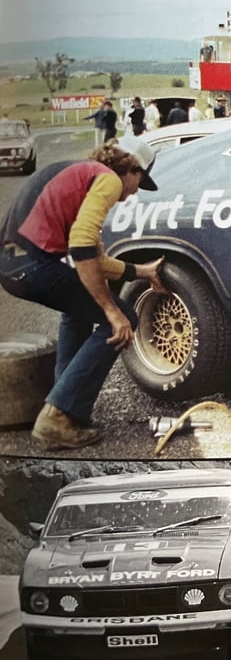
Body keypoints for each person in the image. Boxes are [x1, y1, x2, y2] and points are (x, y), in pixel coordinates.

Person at [0, 136, 165, 450]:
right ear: (133, 169)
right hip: (33, 266)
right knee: (122, 318)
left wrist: (139, 271)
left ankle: (67, 406)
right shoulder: (107, 181)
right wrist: (112, 311)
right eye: (138, 184)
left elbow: (94, 260)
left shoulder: (80, 172)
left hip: (12, 266)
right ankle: (58, 415)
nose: (132, 194)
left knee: (77, 312)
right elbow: (82, 248)